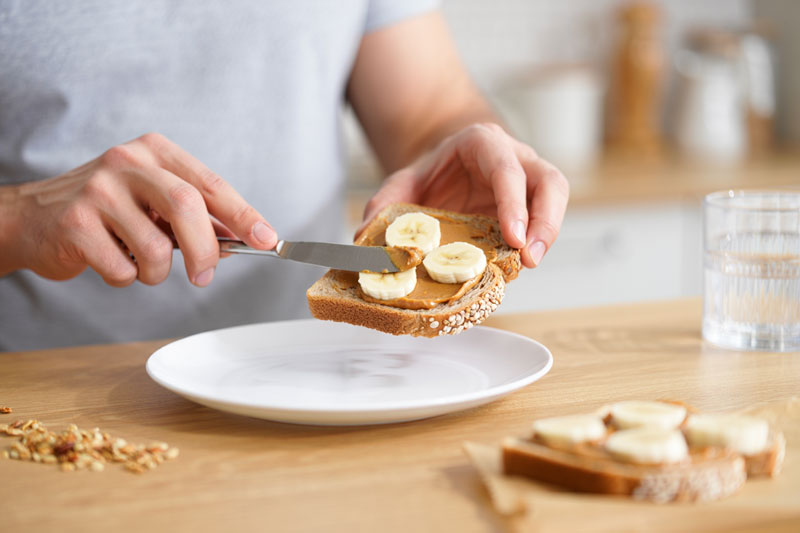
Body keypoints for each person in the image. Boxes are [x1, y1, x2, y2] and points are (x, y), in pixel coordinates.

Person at [0, 1, 568, 351]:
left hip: (315, 372)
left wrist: (461, 146)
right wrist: (19, 217)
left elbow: (427, 109)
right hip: (52, 398)